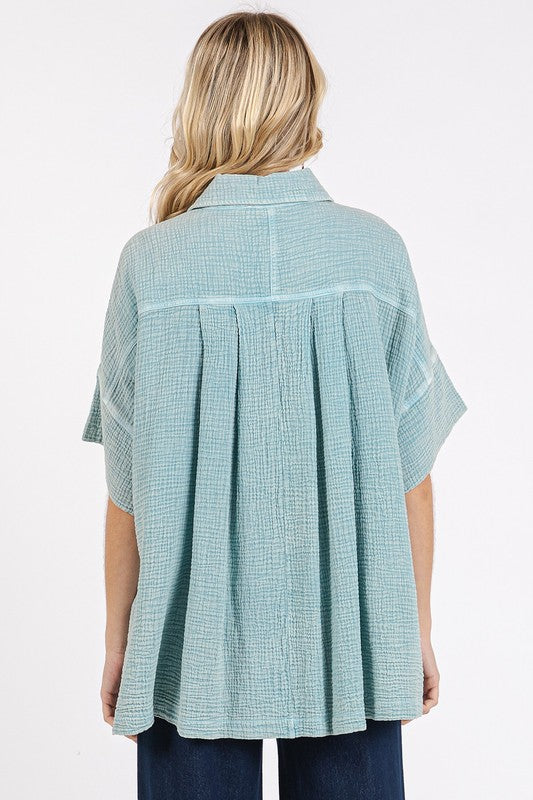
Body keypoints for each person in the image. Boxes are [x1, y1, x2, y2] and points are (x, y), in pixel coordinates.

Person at [82, 11, 467, 800]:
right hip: (351, 641)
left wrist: (121, 643)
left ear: (200, 103)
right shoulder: (374, 252)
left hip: (187, 644)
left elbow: (127, 493)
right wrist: (413, 632)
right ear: (304, 101)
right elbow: (413, 480)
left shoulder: (149, 265)